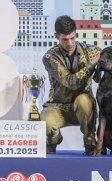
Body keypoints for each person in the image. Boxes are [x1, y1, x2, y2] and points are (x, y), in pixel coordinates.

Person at [41, 15, 100, 155]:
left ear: (76, 33)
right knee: (46, 120)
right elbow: (71, 82)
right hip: (58, 107)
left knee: (84, 100)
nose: (70, 43)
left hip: (82, 108)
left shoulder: (92, 51)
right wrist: (91, 65)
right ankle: (53, 140)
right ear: (57, 37)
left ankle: (90, 142)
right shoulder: (50, 57)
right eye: (65, 39)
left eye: (72, 38)